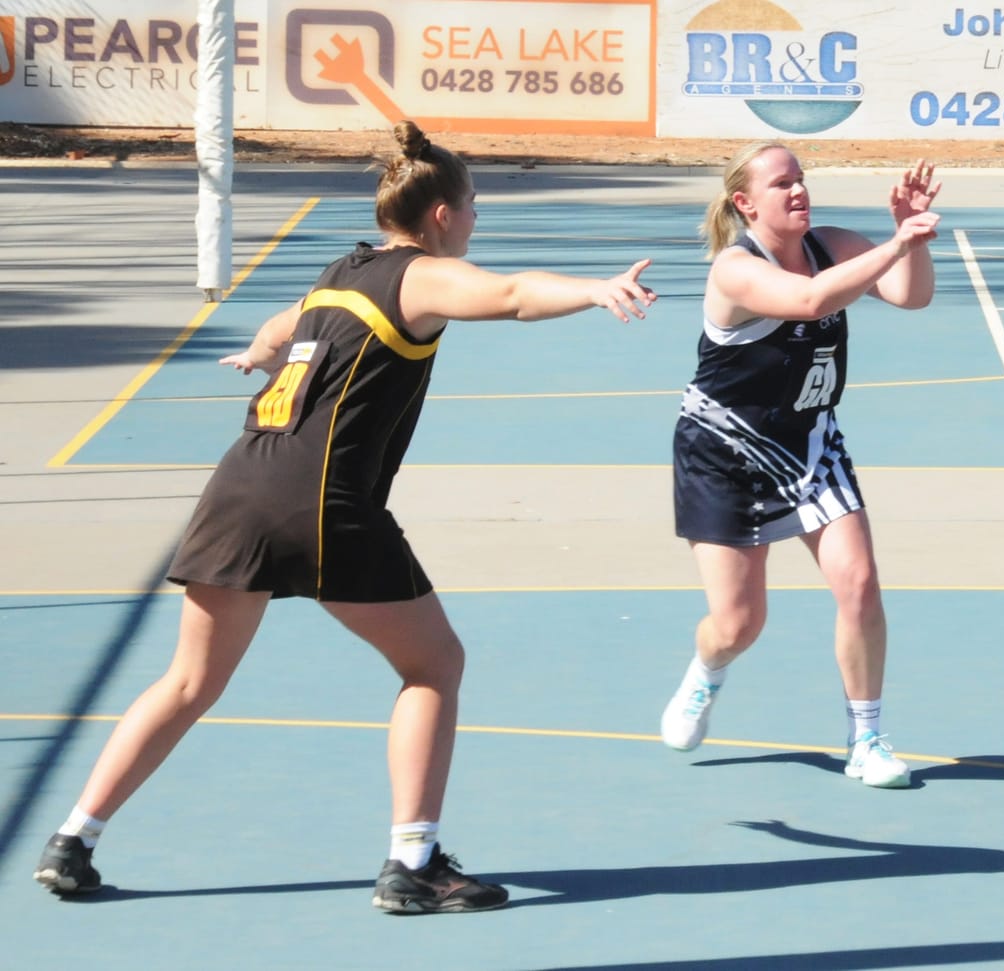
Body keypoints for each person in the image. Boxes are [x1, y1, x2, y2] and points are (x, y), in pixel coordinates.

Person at [30, 121, 656, 911]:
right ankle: (413, 862)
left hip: (239, 486)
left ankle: (73, 839)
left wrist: (260, 358)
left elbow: (276, 329)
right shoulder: (421, 276)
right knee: (435, 665)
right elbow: (509, 294)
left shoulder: (338, 273)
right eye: (470, 210)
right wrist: (596, 289)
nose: (473, 224)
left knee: (188, 679)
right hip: (319, 500)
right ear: (439, 217)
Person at [658, 143, 940, 790]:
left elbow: (911, 294)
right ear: (745, 203)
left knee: (860, 583)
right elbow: (812, 301)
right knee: (738, 622)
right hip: (722, 448)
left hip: (811, 440)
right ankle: (705, 672)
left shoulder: (833, 242)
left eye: (801, 179)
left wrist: (911, 242)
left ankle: (866, 738)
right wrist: (896, 241)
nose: (797, 190)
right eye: (781, 182)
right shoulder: (735, 270)